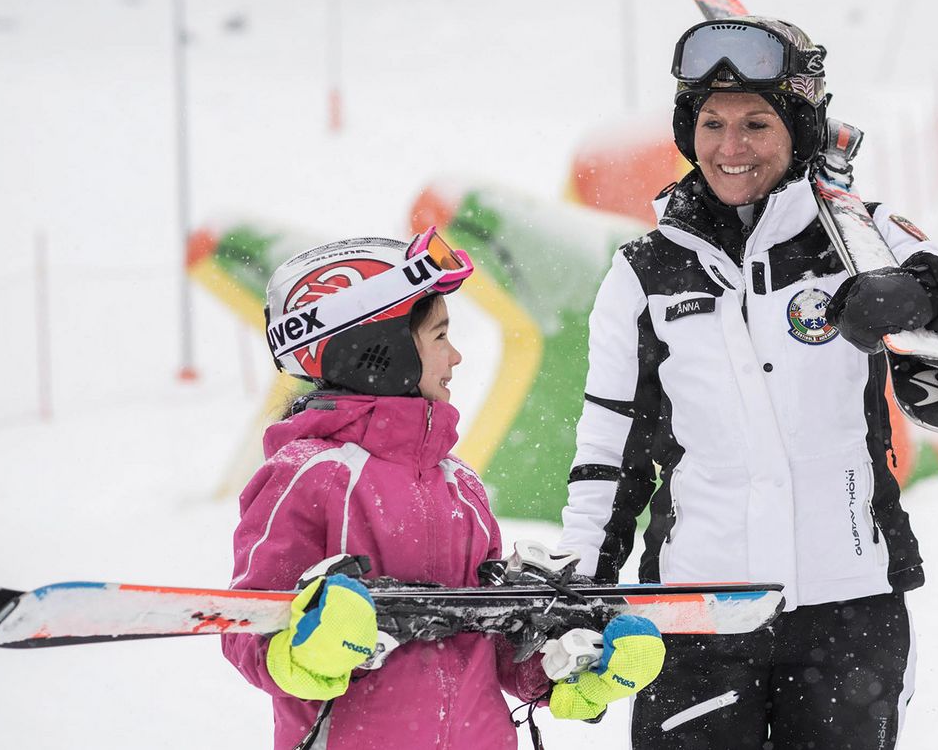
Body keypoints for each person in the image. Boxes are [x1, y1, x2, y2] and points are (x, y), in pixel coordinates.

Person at [556, 16, 938, 749]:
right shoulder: (645, 272)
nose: (730, 148)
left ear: (798, 127)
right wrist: (581, 590)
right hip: (696, 612)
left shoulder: (859, 234)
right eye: (712, 123)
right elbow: (611, 448)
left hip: (848, 608)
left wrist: (915, 296)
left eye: (756, 123)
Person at [223, 228, 665, 750]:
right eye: (438, 337)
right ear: (377, 350)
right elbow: (248, 630)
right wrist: (308, 651)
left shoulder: (461, 486)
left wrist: (562, 665)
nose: (455, 356)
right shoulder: (308, 476)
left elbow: (496, 646)